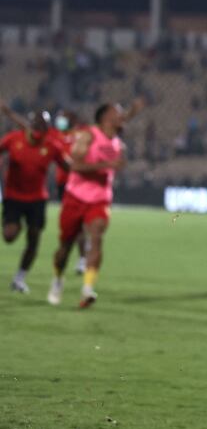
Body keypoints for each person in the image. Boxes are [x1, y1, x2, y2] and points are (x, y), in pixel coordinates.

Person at [47, 103, 128, 308]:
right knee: (65, 247)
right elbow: (74, 166)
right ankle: (57, 279)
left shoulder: (119, 144)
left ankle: (87, 288)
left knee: (96, 238)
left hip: (100, 198)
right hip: (75, 196)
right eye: (117, 113)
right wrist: (106, 165)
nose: (122, 116)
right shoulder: (87, 136)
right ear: (105, 118)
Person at [0, 110, 69, 293]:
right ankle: (17, 224)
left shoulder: (52, 146)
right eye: (36, 125)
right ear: (29, 126)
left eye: (43, 126)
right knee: (9, 236)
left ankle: (20, 278)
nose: (39, 129)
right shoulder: (13, 139)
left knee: (34, 238)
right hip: (13, 196)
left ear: (47, 129)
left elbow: (67, 165)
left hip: (37, 198)